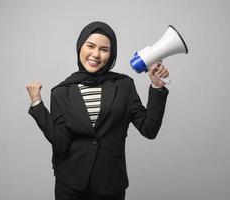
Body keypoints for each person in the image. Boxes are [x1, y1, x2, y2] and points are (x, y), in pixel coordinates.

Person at [26, 21, 169, 200]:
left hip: (110, 184)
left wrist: (156, 86)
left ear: (111, 54)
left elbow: (149, 129)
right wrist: (37, 105)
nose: (96, 54)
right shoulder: (61, 91)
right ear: (80, 47)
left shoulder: (124, 85)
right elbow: (61, 143)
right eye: (90, 46)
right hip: (70, 185)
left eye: (104, 49)